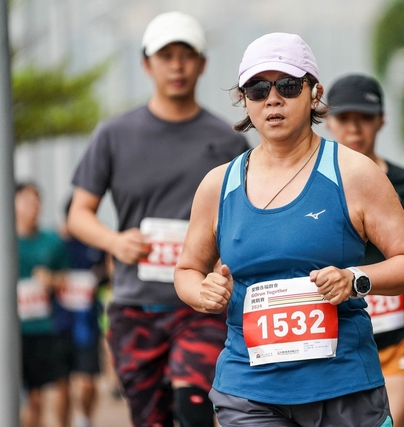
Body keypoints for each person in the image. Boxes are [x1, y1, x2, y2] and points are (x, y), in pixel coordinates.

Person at [174, 32, 404, 427]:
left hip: (344, 387)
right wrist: (202, 293)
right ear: (244, 99)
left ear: (315, 94)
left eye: (289, 86)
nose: (273, 99)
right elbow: (187, 270)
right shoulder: (217, 185)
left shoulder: (354, 173)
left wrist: (354, 279)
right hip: (249, 390)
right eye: (258, 89)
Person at [67, 11, 250, 427]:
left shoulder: (228, 141)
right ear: (146, 64)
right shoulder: (114, 135)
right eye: (166, 56)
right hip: (136, 308)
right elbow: (79, 214)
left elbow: (245, 218)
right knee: (151, 419)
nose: (177, 66)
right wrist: (115, 242)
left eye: (187, 56)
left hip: (200, 306)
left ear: (202, 64)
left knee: (194, 407)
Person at [325, 73, 404, 427]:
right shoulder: (312, 185)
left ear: (381, 121)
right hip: (336, 343)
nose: (354, 128)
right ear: (328, 121)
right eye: (344, 118)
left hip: (394, 340)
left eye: (365, 117)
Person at [16, 182, 70, 427]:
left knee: (57, 388)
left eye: (37, 201)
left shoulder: (52, 241)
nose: (34, 207)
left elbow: (66, 278)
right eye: (27, 201)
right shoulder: (5, 241)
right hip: (15, 333)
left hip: (47, 328)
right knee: (30, 399)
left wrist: (52, 280)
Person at [55, 198, 109, 427]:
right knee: (62, 386)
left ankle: (84, 420)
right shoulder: (57, 245)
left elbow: (108, 277)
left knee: (88, 382)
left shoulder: (98, 246)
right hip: (60, 324)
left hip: (88, 324)